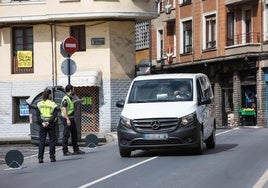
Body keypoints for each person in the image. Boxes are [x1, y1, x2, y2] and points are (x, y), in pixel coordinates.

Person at [61, 84, 85, 156]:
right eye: (73, 89)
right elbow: (64, 109)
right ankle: (65, 151)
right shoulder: (65, 98)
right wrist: (67, 119)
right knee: (66, 135)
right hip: (67, 118)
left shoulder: (70, 97)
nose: (74, 90)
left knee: (74, 134)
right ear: (70, 90)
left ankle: (76, 149)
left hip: (71, 118)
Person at [37, 88, 58, 163]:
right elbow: (55, 115)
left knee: (42, 141)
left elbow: (37, 115)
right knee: (52, 141)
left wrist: (42, 122)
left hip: (42, 124)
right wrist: (49, 122)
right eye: (51, 94)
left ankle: (40, 158)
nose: (51, 95)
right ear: (49, 95)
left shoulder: (39, 104)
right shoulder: (52, 104)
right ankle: (52, 157)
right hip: (50, 124)